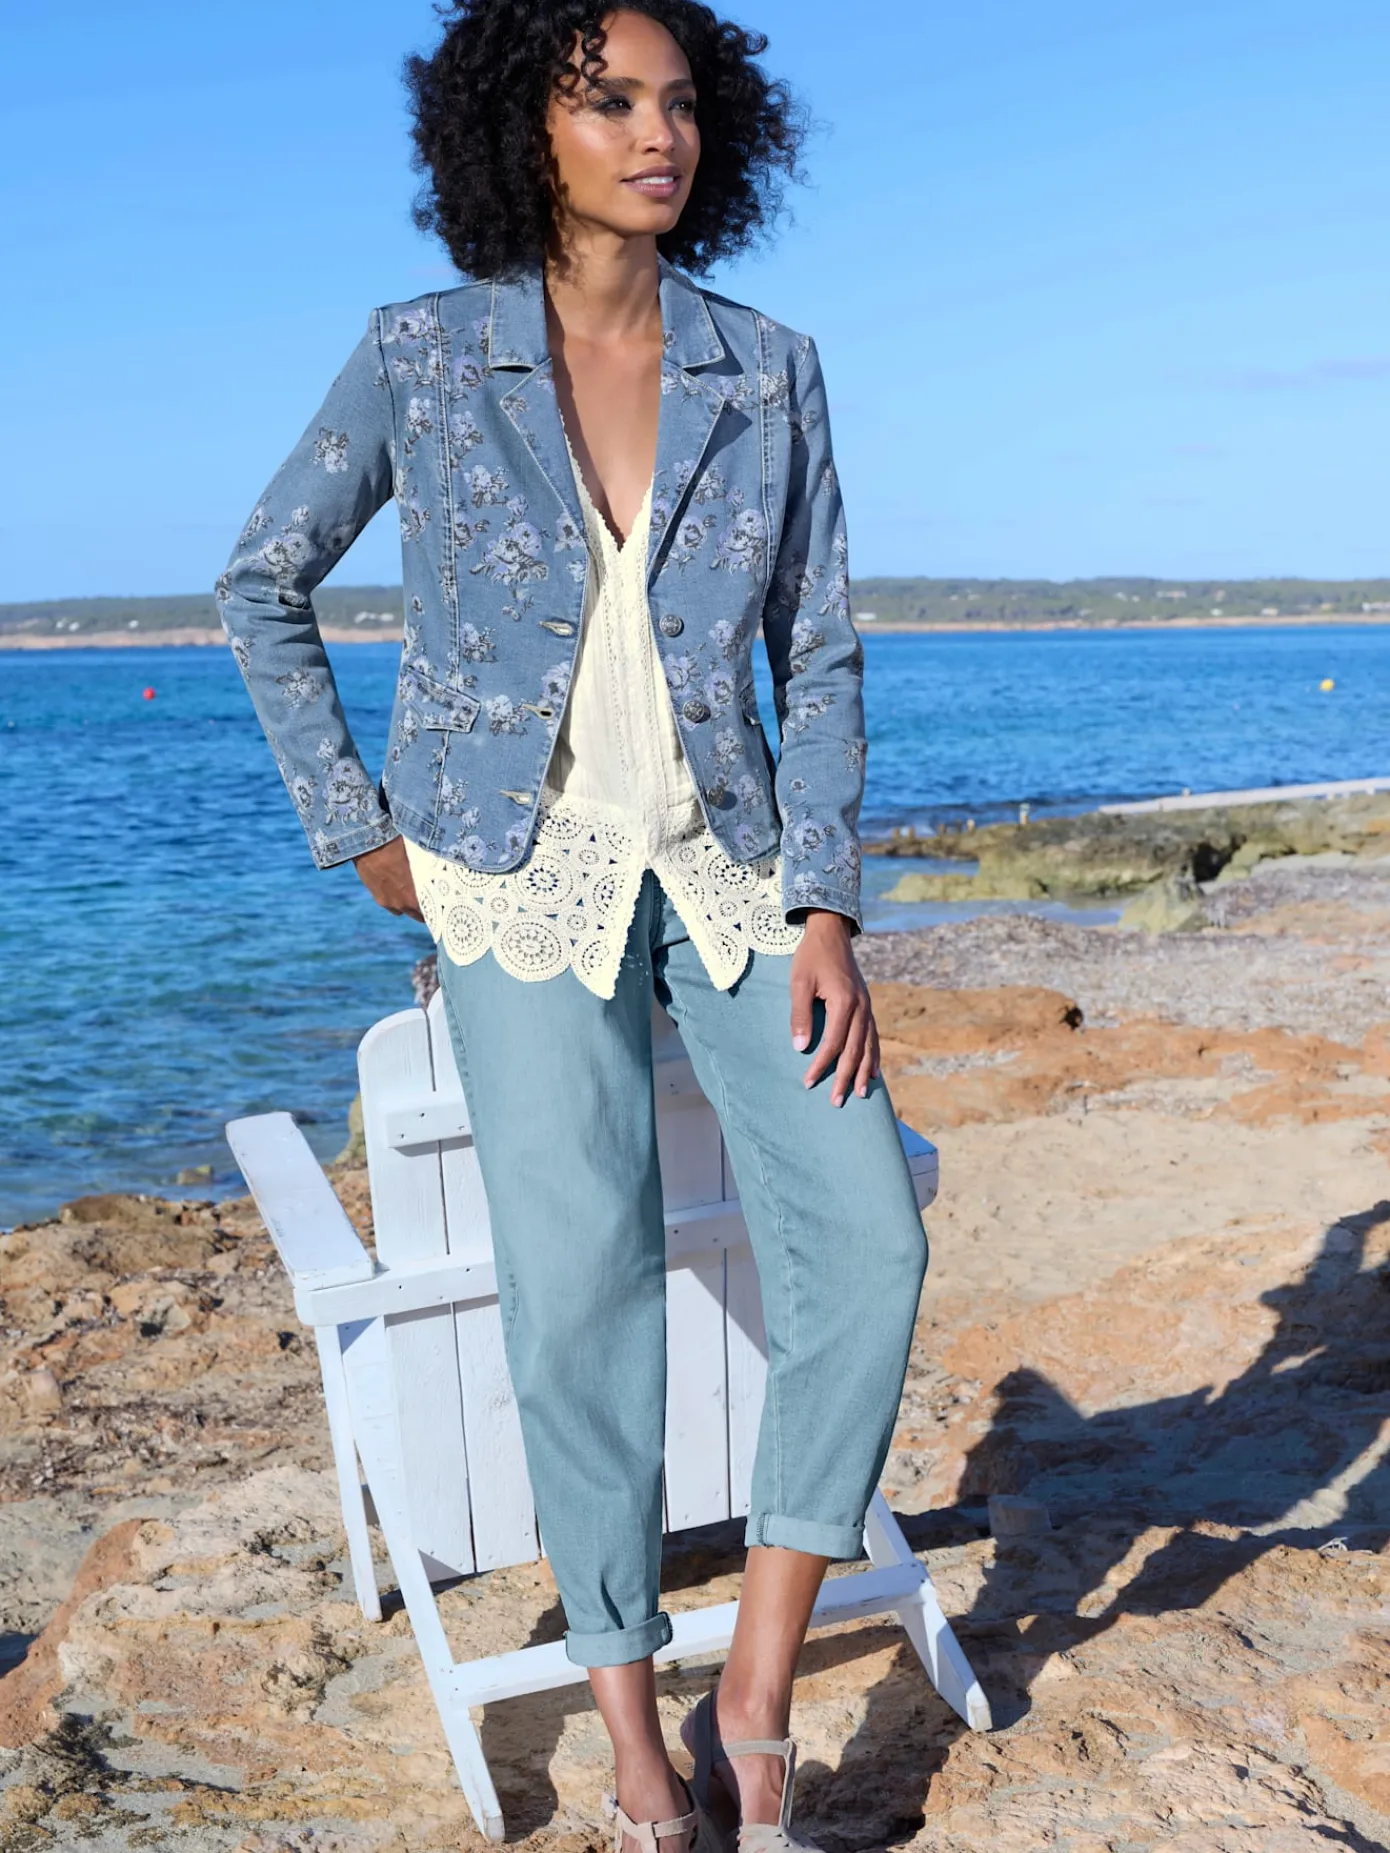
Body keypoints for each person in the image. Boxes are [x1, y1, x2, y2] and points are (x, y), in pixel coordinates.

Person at [216, 5, 929, 1848]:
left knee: (867, 1235)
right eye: (607, 100)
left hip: (734, 873)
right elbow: (262, 579)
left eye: (677, 101)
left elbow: (819, 652)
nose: (653, 132)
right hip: (506, 875)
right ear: (518, 127)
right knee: (579, 1292)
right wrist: (359, 830)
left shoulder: (767, 368)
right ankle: (627, 1725)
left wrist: (827, 904)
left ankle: (751, 1696)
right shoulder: (422, 354)